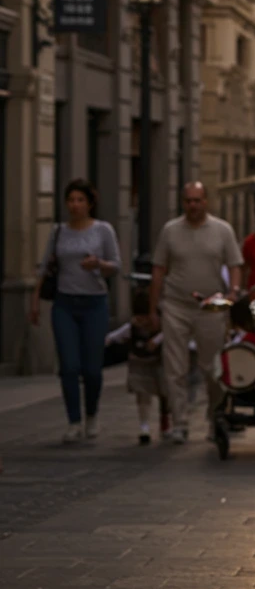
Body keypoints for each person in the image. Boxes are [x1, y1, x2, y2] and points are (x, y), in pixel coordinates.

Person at [149, 182, 243, 443]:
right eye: (188, 201)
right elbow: (158, 269)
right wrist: (153, 308)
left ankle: (215, 418)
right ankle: (179, 422)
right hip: (175, 305)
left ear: (206, 202)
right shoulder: (170, 231)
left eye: (197, 200)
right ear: (183, 203)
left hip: (211, 306)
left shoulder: (222, 230)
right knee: (175, 368)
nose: (193, 205)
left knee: (213, 368)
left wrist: (233, 292)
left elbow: (235, 264)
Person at [30, 179, 121, 444]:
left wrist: (98, 263)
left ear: (90, 203)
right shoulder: (58, 231)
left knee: (92, 369)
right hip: (65, 304)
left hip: (94, 304)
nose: (75, 205)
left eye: (80, 200)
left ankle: (91, 414)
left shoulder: (103, 230)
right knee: (69, 366)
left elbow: (116, 265)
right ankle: (73, 421)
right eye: (71, 200)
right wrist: (35, 301)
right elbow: (45, 267)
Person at [105, 289, 168, 445]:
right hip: (140, 364)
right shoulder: (132, 327)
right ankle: (144, 426)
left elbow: (170, 333)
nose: (142, 322)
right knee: (142, 394)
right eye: (139, 318)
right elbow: (114, 336)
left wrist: (157, 341)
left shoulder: (162, 326)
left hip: (159, 363)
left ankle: (165, 419)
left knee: (165, 393)